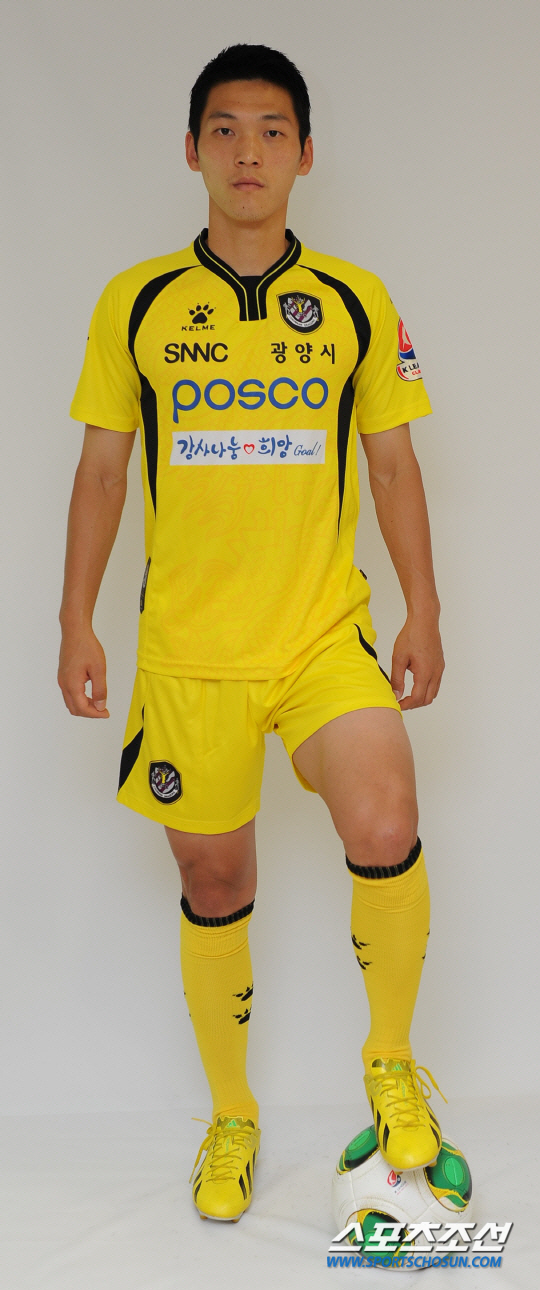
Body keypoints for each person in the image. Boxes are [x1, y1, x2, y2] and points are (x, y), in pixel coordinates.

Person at [58, 43, 445, 1225]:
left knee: (386, 817)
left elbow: (392, 463)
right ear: (191, 149)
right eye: (224, 129)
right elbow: (103, 472)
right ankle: (232, 1116)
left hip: (323, 634)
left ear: (306, 155)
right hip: (190, 653)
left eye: (273, 131)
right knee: (216, 876)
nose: (248, 152)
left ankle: (391, 1064)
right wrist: (75, 617)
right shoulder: (135, 302)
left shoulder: (357, 301)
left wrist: (426, 607)